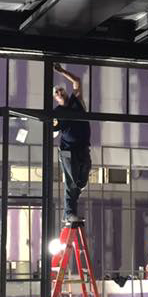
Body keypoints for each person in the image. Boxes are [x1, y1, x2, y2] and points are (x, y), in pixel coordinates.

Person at [52, 63, 91, 224]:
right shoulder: (56, 113)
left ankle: (70, 211)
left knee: (81, 180)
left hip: (83, 147)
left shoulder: (76, 101)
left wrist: (62, 71)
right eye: (56, 92)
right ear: (55, 98)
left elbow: (77, 82)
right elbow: (53, 129)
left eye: (61, 90)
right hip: (68, 150)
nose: (59, 92)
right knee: (71, 182)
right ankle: (69, 213)